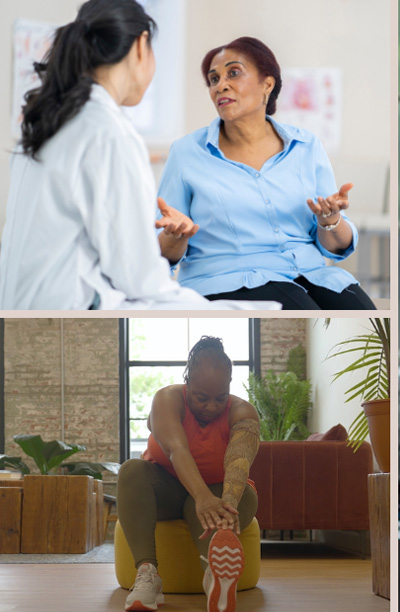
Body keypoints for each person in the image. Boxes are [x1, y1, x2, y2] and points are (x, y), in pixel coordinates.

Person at [0, 0, 274, 310]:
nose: (221, 86)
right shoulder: (108, 132)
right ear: (142, 45)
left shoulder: (45, 123)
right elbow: (142, 280)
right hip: (68, 308)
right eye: (214, 79)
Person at [154, 36, 377, 310]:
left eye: (233, 73)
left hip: (311, 273)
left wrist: (330, 220)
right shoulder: (187, 153)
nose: (220, 85)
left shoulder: (306, 146)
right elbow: (162, 255)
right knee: (305, 313)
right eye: (213, 79)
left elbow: (335, 247)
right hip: (228, 280)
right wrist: (176, 234)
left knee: (363, 315)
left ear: (266, 84)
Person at [118, 336, 260, 612]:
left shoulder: (243, 412)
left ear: (230, 385)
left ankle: (216, 576)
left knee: (211, 502)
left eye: (220, 398)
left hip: (226, 492)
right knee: (132, 470)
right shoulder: (167, 399)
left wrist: (225, 506)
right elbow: (176, 449)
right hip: (165, 490)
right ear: (188, 383)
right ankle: (147, 575)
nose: (211, 406)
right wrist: (201, 496)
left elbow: (238, 464)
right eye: (201, 398)